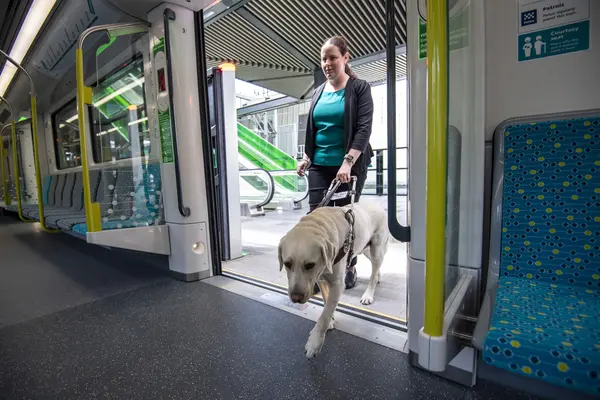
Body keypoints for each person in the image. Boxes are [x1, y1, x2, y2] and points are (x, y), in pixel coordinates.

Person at [296, 35, 374, 291]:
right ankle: (318, 269)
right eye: (323, 59)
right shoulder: (318, 92)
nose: (327, 63)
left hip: (348, 167)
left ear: (345, 58)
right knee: (316, 221)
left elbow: (363, 129)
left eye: (332, 57)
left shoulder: (359, 88)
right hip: (319, 166)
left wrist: (348, 162)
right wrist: (307, 157)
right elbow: (315, 129)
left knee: (343, 223)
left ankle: (347, 267)